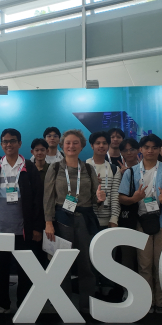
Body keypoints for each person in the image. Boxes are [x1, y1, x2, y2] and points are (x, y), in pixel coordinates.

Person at [44, 129, 106, 314]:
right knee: (62, 265)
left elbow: (95, 198)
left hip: (85, 220)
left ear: (82, 146)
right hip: (62, 221)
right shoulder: (55, 168)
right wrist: (48, 222)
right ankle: (63, 306)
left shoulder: (88, 168)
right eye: (68, 143)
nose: (71, 146)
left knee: (86, 265)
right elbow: (48, 197)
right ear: (62, 146)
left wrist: (100, 199)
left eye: (75, 143)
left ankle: (87, 306)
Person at [0, 129, 45, 313]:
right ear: (1, 144)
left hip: (23, 227)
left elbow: (38, 198)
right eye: (5, 141)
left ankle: (23, 305)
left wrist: (37, 227)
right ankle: (2, 304)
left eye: (12, 141)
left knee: (25, 268)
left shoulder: (29, 167)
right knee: (0, 268)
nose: (8, 144)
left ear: (19, 143)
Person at [118, 134, 162, 313]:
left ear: (159, 150)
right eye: (146, 147)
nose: (150, 151)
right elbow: (122, 198)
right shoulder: (131, 172)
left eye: (154, 147)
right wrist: (134, 198)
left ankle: (161, 302)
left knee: (161, 263)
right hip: (140, 222)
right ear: (141, 149)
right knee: (144, 264)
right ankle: (147, 301)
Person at [86, 131, 120, 229]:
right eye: (98, 143)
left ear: (108, 145)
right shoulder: (83, 167)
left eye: (104, 143)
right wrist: (90, 183)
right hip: (87, 219)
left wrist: (114, 218)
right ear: (92, 145)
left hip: (107, 221)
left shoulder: (114, 169)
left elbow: (115, 196)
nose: (101, 146)